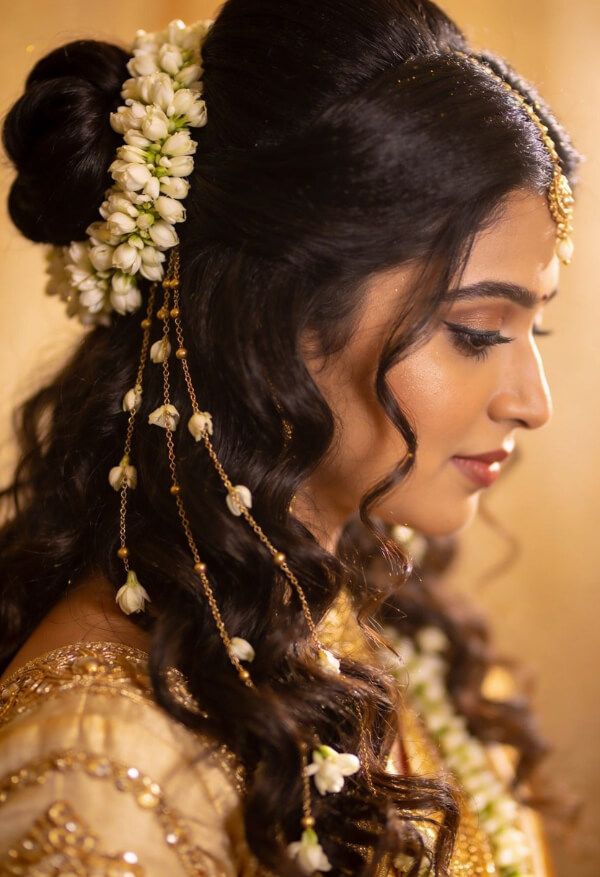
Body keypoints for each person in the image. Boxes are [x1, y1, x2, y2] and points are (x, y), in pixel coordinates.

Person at [0, 1, 581, 875]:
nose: (532, 404)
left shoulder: (383, 627)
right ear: (270, 322)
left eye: (533, 333)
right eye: (476, 332)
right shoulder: (95, 764)